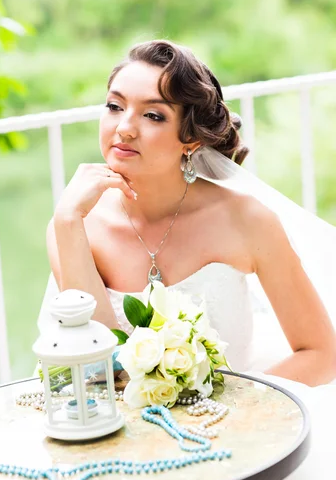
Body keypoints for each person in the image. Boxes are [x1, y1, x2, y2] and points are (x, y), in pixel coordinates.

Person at [40, 39, 336, 386]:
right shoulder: (75, 224)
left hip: (232, 427)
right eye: (114, 106)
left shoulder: (247, 221)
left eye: (153, 115)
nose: (124, 128)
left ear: (191, 140)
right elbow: (102, 372)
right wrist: (67, 221)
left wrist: (224, 407)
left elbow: (321, 354)